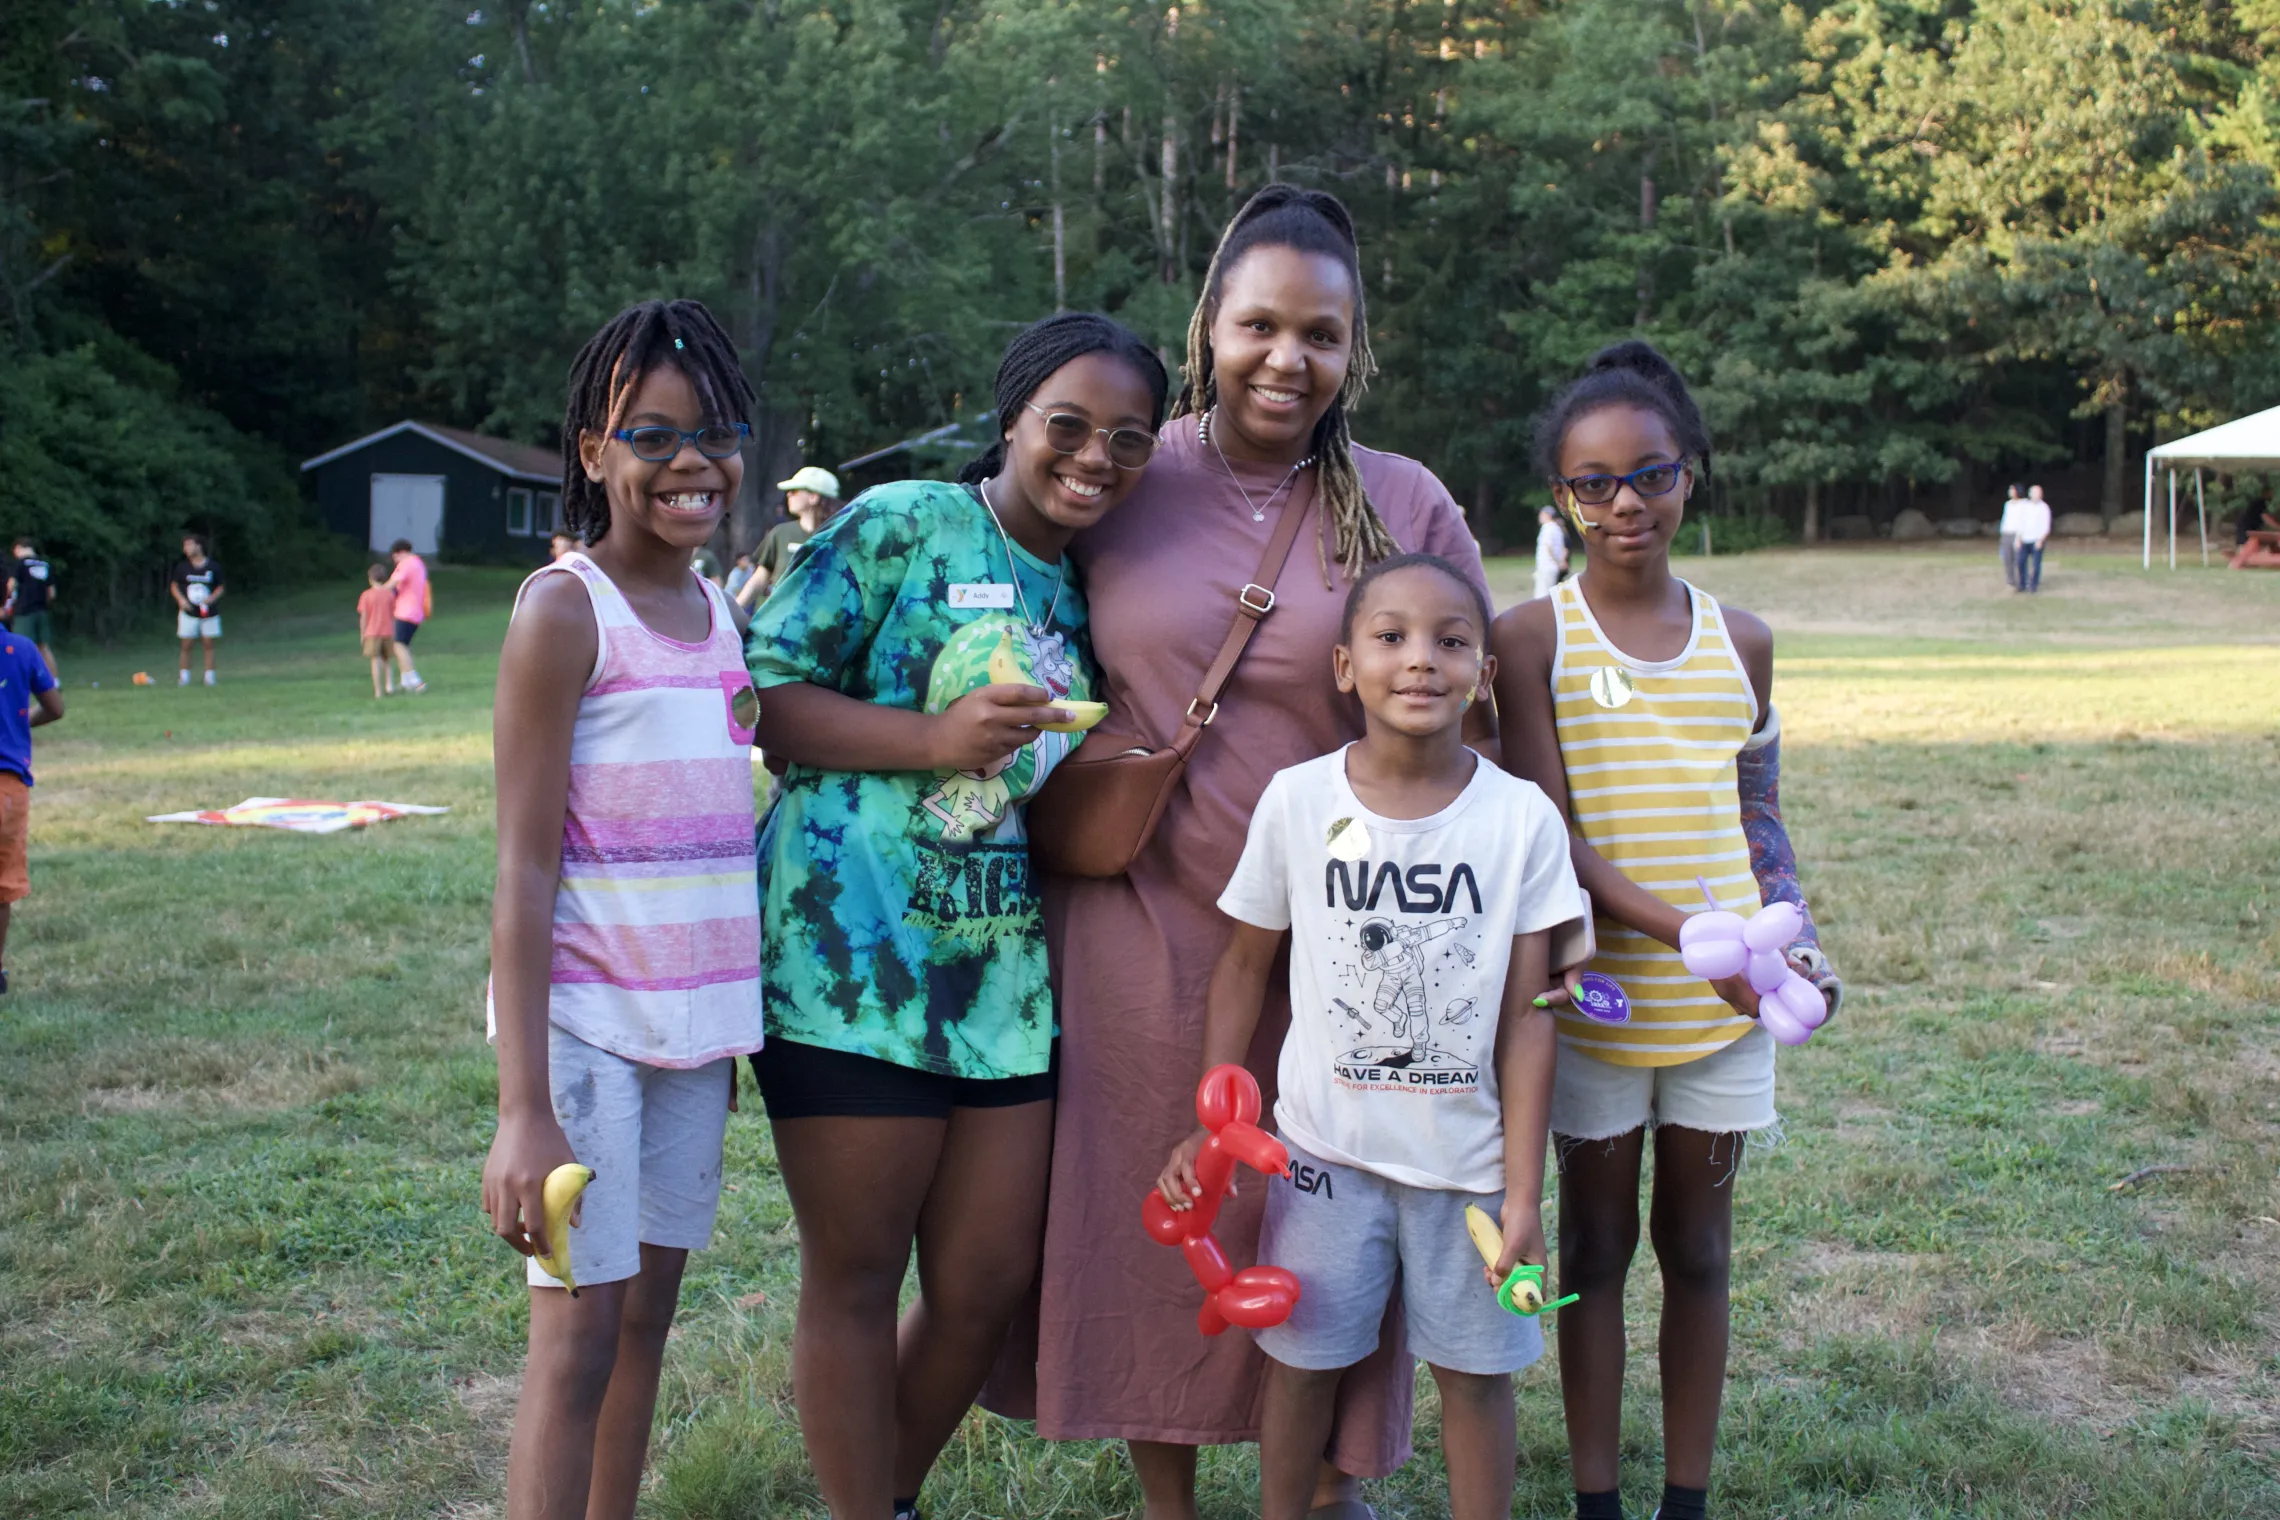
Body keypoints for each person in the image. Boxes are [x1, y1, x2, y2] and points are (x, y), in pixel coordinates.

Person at [989, 184, 1492, 1520]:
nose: (1289, 358)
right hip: (1138, 914)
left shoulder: (1404, 502)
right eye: (1259, 324)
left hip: (1345, 935)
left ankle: (1322, 1487)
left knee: (1331, 1215)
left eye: (1320, 334)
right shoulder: (1126, 473)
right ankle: (1168, 1498)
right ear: (1210, 325)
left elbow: (1470, 701)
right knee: (1155, 1211)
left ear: (1354, 349)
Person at [743, 312, 1167, 1520]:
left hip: (1000, 978)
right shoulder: (902, 521)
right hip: (848, 964)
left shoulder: (1097, 586)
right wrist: (932, 738)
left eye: (1126, 440)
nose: (1094, 457)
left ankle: (885, 1495)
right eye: (1069, 426)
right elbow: (762, 693)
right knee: (860, 1272)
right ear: (1015, 418)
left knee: (986, 1283)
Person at [1489, 340, 1840, 1520]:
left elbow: (1756, 809)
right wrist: (1692, 924)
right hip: (1598, 1001)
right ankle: (1597, 1500)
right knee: (1593, 1253)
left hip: (1726, 1006)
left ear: (1691, 475)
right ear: (1560, 497)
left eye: (1650, 473)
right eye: (1594, 482)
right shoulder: (1531, 635)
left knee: (1697, 1249)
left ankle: (1683, 1499)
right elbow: (1552, 837)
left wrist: (1782, 940)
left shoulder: (1743, 638)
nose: (1625, 501)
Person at [1156, 553, 1579, 1520]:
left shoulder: (1522, 821)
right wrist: (1215, 1126)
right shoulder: (1299, 800)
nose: (1421, 660)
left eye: (1451, 640)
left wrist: (1522, 1195)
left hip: (1467, 1174)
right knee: (1302, 1368)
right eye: (1390, 638)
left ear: (1485, 671)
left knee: (1476, 1379)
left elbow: (1528, 1020)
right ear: (1345, 666)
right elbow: (1241, 967)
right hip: (1322, 1159)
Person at [481, 298, 765, 1520]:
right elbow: (524, 866)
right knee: (579, 1333)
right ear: (594, 453)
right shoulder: (564, 609)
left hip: (696, 1042)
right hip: (588, 1034)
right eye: (650, 436)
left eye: (712, 432)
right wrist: (524, 1109)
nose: (690, 460)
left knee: (646, 1317)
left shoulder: (720, 613)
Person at [0, 624, 63, 997]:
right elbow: (55, 708)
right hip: (8, 787)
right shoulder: (21, 649)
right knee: (2, 885)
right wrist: (19, 722)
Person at [737, 465, 841, 608]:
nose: (788, 494)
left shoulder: (840, 538)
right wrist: (732, 612)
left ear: (813, 497)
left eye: (794, 490)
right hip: (774, 624)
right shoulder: (780, 533)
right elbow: (759, 579)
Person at [170, 534, 225, 686]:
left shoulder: (213, 567)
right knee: (186, 644)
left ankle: (209, 677)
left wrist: (210, 599)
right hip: (188, 613)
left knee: (208, 643)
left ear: (199, 546)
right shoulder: (183, 567)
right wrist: (181, 600)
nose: (186, 549)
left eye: (189, 545)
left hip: (208, 612)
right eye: (185, 546)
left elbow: (220, 587)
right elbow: (174, 586)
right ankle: (184, 677)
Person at [385, 538, 431, 693]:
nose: (395, 562)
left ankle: (415, 680)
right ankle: (406, 681)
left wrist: (375, 590)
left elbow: (391, 585)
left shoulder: (406, 564)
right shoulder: (419, 564)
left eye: (395, 557)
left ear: (401, 553)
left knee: (398, 644)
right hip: (416, 612)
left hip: (405, 611)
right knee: (404, 645)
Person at [8, 538, 57, 677]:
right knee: (43, 647)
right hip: (42, 611)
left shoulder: (20, 564)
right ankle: (54, 681)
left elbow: (11, 586)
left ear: (18, 548)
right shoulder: (46, 564)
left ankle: (22, 679)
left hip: (24, 611)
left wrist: (8, 602)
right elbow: (52, 593)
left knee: (20, 647)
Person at [357, 563, 397, 697]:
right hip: (388, 631)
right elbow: (393, 613)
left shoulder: (366, 595)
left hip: (372, 632)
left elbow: (364, 617)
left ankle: (378, 691)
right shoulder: (389, 595)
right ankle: (389, 685)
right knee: (387, 660)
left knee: (375, 661)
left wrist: (362, 633)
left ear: (370, 579)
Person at [2015, 484, 2052, 593]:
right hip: (2024, 539)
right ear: (2030, 494)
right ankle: (2022, 584)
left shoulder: (2044, 507)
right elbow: (2021, 523)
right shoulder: (2025, 506)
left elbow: (2046, 526)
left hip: (2037, 540)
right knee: (2021, 562)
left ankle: (2033, 586)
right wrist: (2018, 538)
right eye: (2035, 492)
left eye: (2039, 493)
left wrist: (2040, 540)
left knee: (2036, 564)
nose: (2037, 495)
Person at [1532, 503, 1572, 600]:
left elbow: (1548, 547)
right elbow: (1563, 548)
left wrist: (1557, 562)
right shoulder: (1557, 528)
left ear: (1547, 515)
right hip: (1552, 567)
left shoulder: (1547, 528)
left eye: (1542, 514)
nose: (1539, 517)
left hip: (1546, 566)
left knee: (1542, 596)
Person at [1995, 482, 2027, 589]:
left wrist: (2020, 536)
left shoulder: (2024, 504)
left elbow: (2023, 521)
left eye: (2012, 489)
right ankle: (2010, 580)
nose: (2010, 491)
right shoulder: (2008, 504)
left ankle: (2022, 580)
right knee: (2007, 558)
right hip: (2006, 533)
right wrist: (2002, 533)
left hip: (2017, 533)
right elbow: (2005, 520)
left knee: (2018, 559)